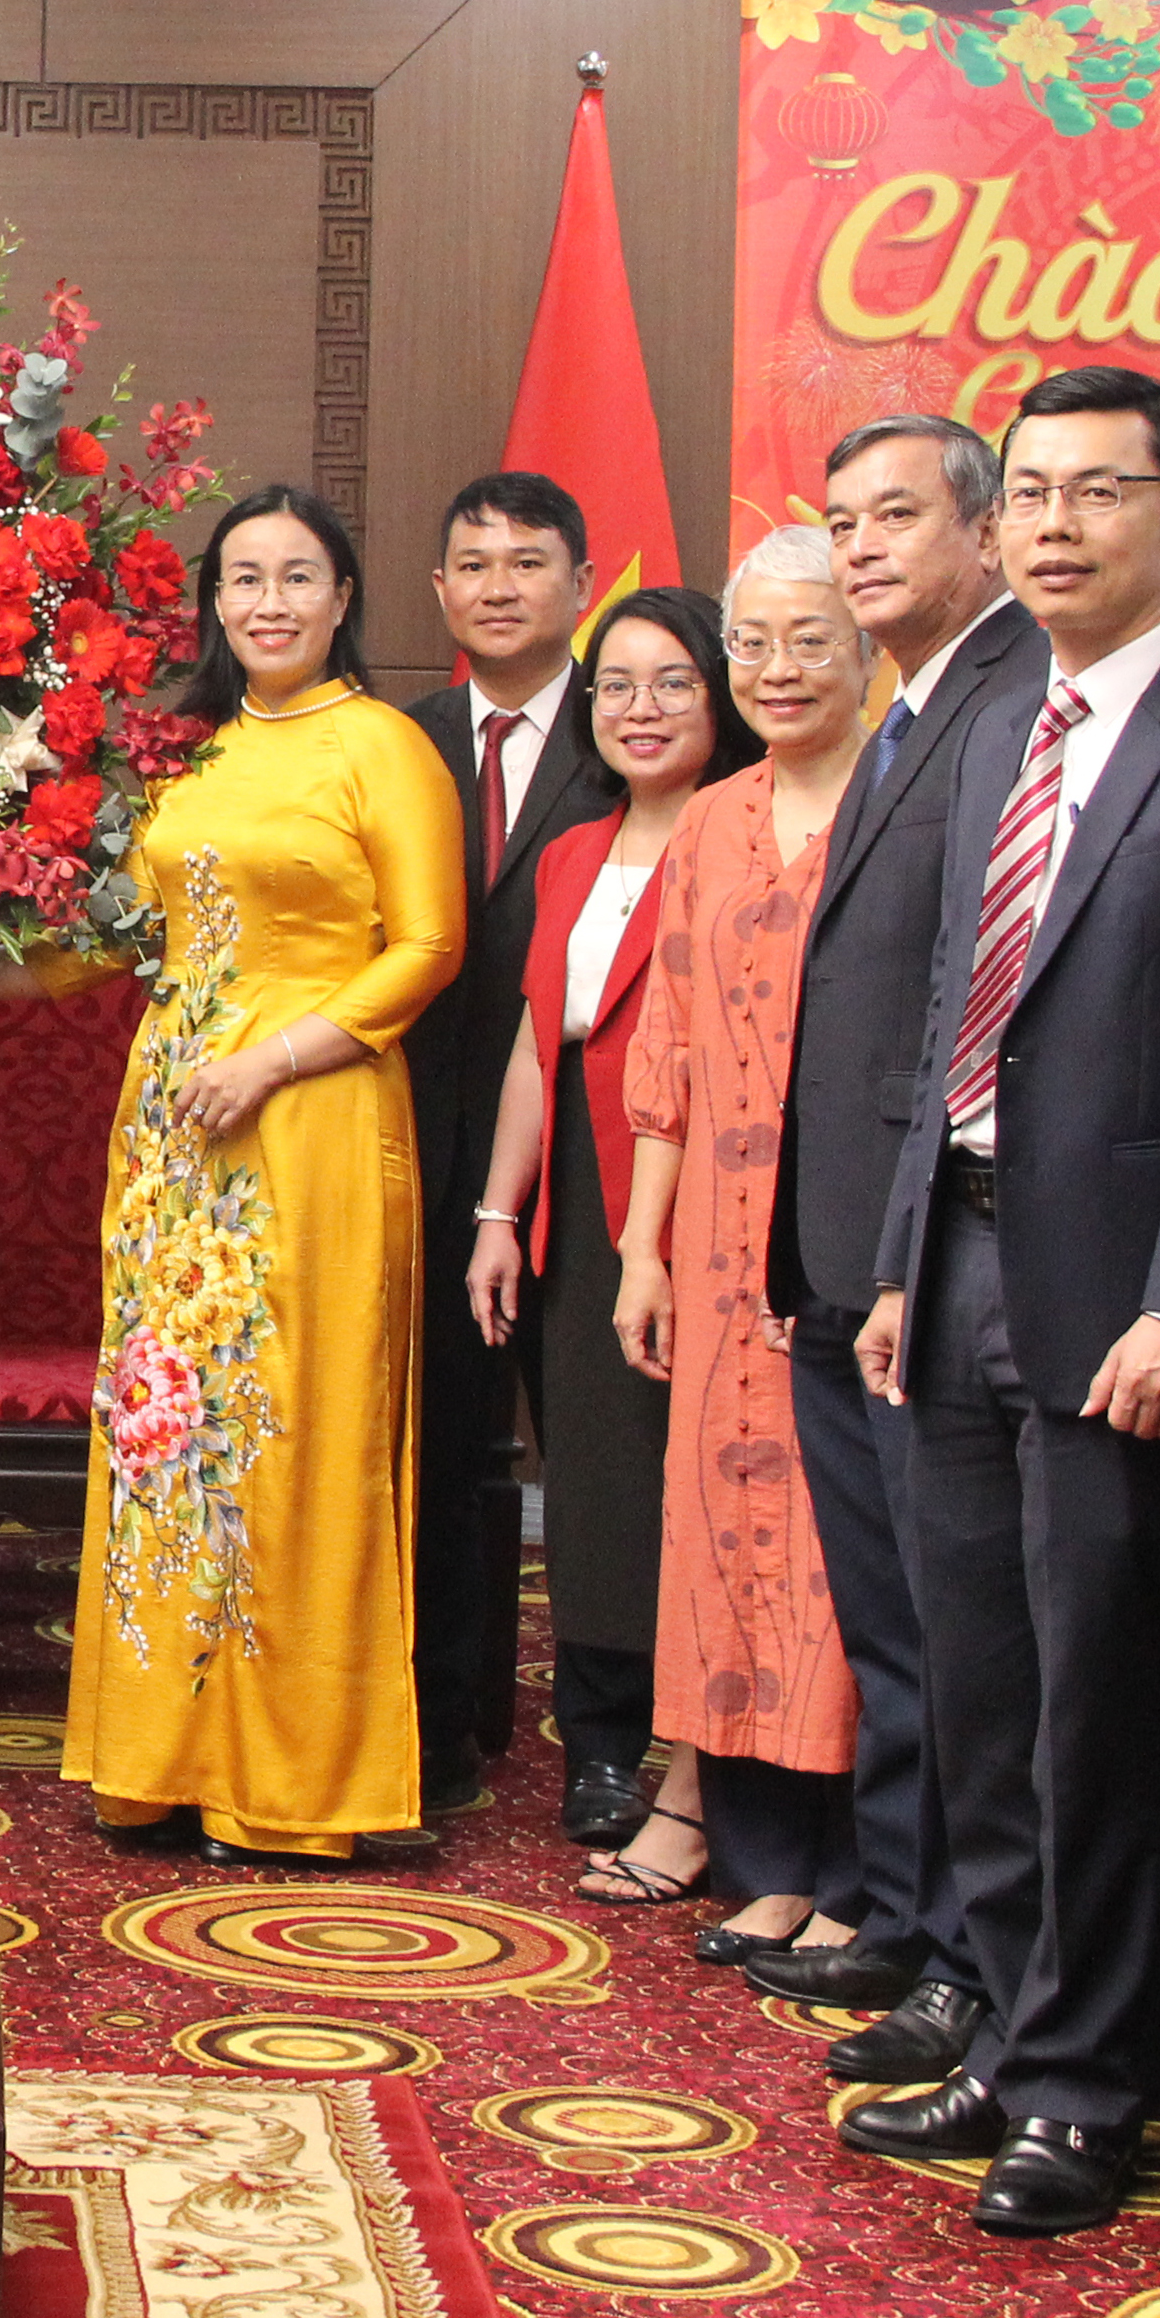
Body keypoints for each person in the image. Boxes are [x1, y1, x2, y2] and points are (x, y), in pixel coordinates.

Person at [848, 366, 1160, 2236]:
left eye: (1092, 493)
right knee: (975, 1681)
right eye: (1024, 490)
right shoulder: (988, 729)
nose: (1047, 523)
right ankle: (1015, 2022)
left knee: (1083, 1690)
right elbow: (943, 1018)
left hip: (1118, 1297)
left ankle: (1086, 2084)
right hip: (948, 1255)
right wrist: (891, 1258)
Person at [39, 484, 463, 1860]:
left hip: (314, 1119)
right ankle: (160, 1756)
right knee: (173, 1432)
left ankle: (291, 1782)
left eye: (297, 576)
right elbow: (131, 935)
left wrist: (272, 1060)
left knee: (294, 1427)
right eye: (241, 578)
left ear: (344, 598)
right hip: (173, 1132)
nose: (267, 602)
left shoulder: (382, 744)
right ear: (213, 602)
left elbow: (428, 945)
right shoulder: (193, 755)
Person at [747, 416, 1045, 2089]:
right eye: (838, 520)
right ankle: (907, 1908)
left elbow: (969, 1009)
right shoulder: (912, 704)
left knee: (951, 1630)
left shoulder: (1011, 705)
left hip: (923, 1247)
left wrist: (892, 1250)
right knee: (892, 1618)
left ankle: (958, 1950)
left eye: (892, 519)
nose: (857, 551)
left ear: (985, 534)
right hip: (841, 1235)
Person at [608, 529, 882, 1963]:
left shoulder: (910, 801)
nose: (779, 671)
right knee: (717, 1536)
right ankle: (762, 1859)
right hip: (712, 1243)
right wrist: (643, 1251)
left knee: (841, 1558)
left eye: (810, 642)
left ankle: (856, 1873)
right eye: (757, 646)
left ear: (869, 650)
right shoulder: (714, 818)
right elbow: (666, 1043)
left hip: (841, 1237)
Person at [461, 589, 743, 1901]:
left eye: (671, 682)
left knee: (676, 1474)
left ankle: (693, 1753)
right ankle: (603, 1740)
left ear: (721, 694)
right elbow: (533, 1041)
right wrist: (500, 1212)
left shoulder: (751, 833)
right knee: (583, 1471)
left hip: (693, 1189)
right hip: (575, 1177)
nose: (639, 709)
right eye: (615, 686)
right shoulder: (573, 849)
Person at [396, 473, 626, 1831]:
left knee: (593, 1451)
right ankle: (442, 1718)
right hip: (418, 1143)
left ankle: (604, 1740)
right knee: (440, 1447)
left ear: (581, 583)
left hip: (593, 1147)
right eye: (471, 563)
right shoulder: (397, 740)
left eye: (527, 562)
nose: (496, 586)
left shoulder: (645, 724)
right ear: (437, 594)